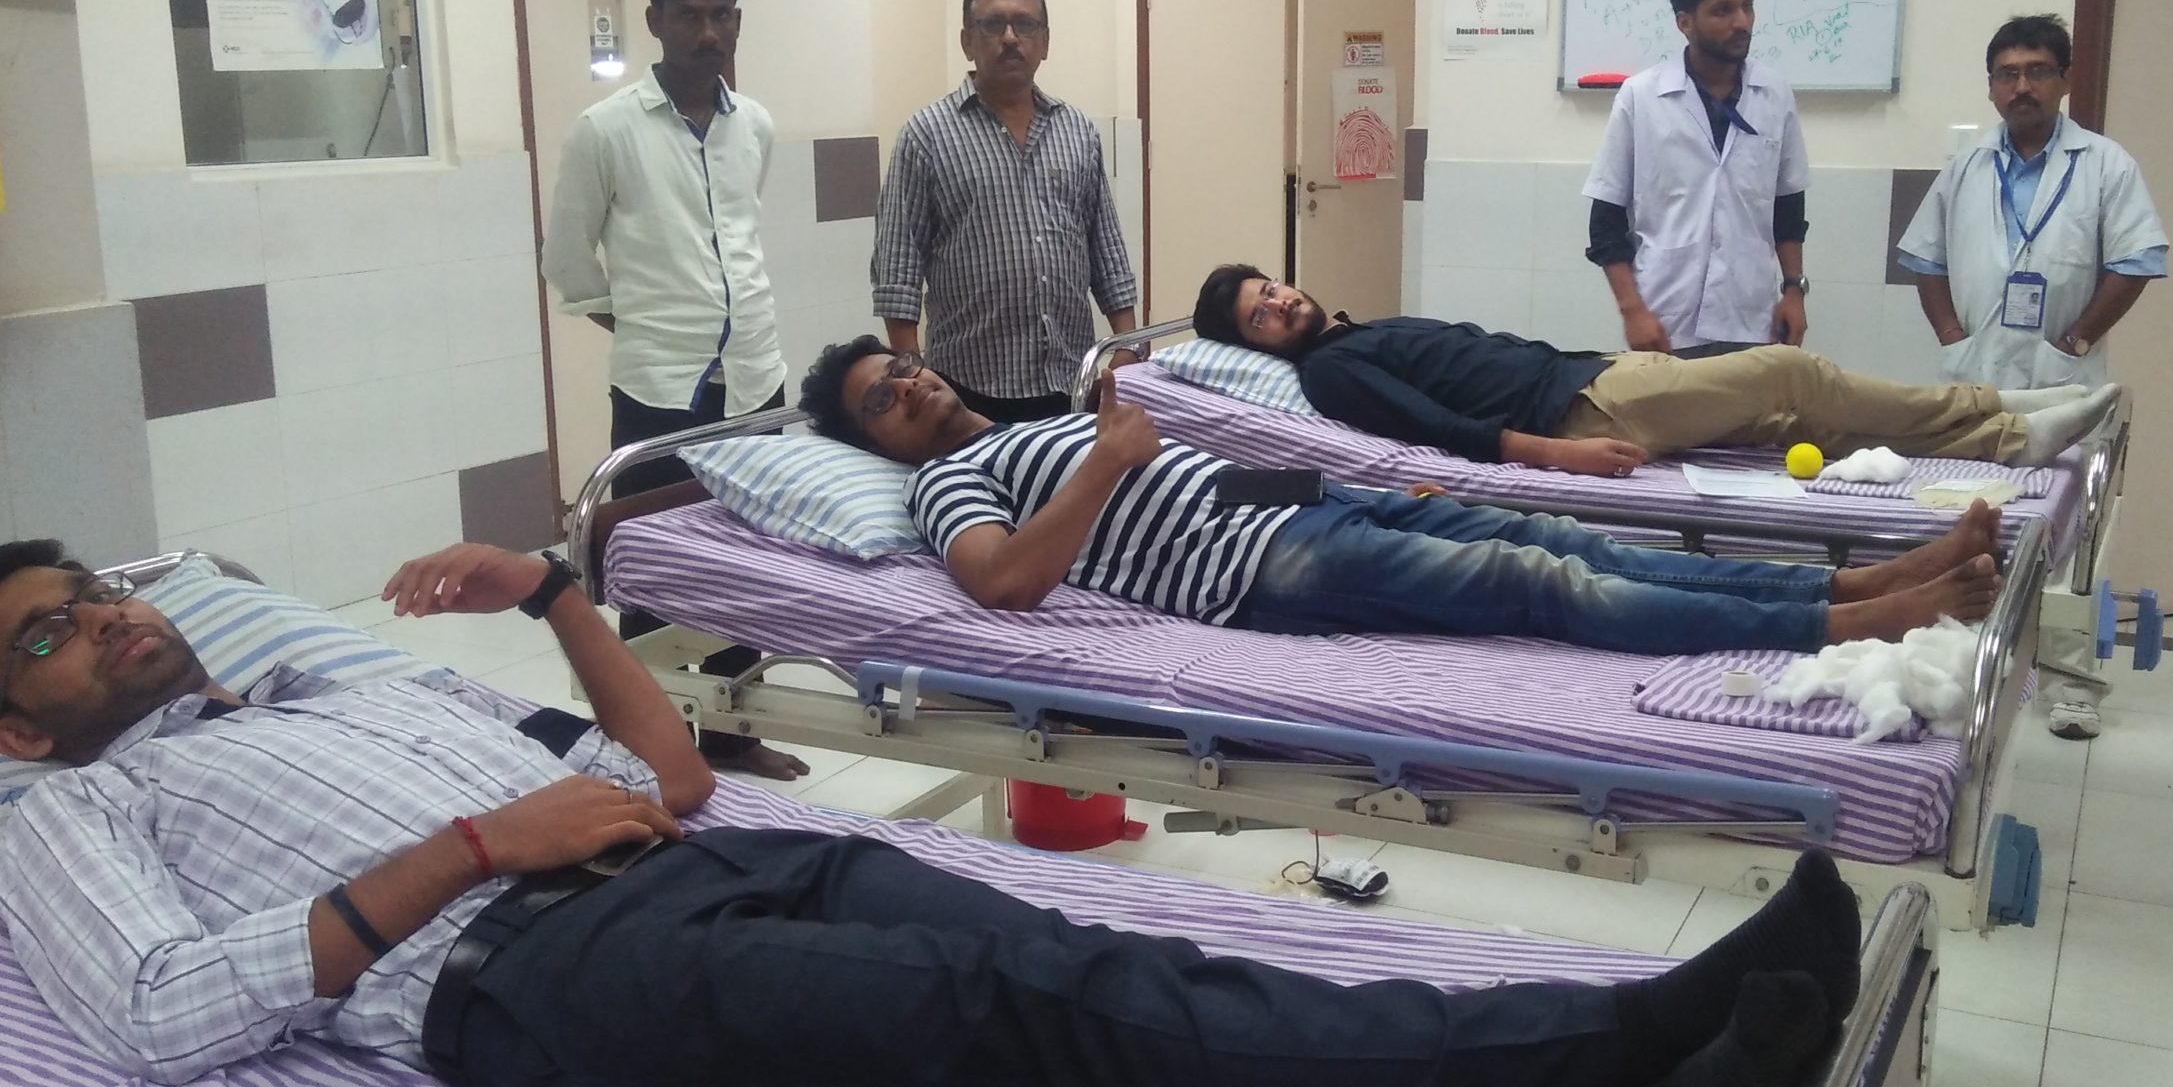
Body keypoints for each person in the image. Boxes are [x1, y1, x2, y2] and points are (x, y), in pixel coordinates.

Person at [0, 538, 1875, 1087]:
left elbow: (663, 771)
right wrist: (476, 847)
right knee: (1022, 999)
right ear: (14, 729)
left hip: (682, 872)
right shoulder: (76, 819)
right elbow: (159, 1013)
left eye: (94, 589)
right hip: (535, 984)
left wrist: (555, 591)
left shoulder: (343, 687)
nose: (101, 618)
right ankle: (1606, 1042)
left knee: (1079, 960)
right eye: (48, 635)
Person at [806, 336, 2009, 659]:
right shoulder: (949, 480)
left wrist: (1367, 483)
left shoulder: (1039, 421)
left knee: (1555, 531)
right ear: (875, 441)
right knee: (1539, 579)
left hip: (1303, 509)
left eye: (899, 366)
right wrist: (1108, 462)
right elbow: (1002, 583)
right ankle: (1840, 623)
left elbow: (1216, 473)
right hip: (1258, 572)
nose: (906, 385)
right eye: (879, 399)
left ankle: (1855, 575)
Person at [537, 0, 801, 780]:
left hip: (755, 375)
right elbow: (568, 259)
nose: (708, 31)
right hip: (658, 386)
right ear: (653, 20)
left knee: (748, 557)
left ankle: (731, 732)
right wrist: (644, 323)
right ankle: (650, 746)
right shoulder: (605, 130)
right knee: (652, 566)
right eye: (689, 15)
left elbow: (739, 232)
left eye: (722, 15)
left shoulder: (754, 125)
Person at [1193, 267, 2123, 476]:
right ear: (1255, 345)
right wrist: (1557, 455)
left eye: (1270, 288)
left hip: (1591, 372)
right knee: (1791, 372)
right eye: (1258, 317)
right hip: (1581, 408)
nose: (1278, 303)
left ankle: (2006, 444)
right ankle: (1997, 405)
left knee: (1798, 427)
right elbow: (1433, 429)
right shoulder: (1330, 375)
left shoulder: (1350, 330)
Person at [871, 0, 1140, 424]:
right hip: (968, 386)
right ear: (967, 41)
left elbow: (1105, 246)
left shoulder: (1078, 131)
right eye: (993, 25)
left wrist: (1127, 345)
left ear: (1045, 42)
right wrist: (911, 369)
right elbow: (898, 261)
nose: (1011, 38)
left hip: (1069, 381)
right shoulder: (926, 134)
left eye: (1026, 25)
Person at [1895, 15, 2170, 389]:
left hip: (2062, 375)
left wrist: (2075, 342)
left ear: (2066, 80)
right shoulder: (1965, 166)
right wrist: (1952, 339)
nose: (2022, 86)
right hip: (1973, 373)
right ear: (1991, 88)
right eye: (2007, 75)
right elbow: (1926, 259)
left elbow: (2137, 262)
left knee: (2061, 431)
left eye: (2037, 71)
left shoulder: (2107, 164)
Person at [1583, 0, 1811, 359]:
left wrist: (1794, 290)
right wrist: (1632, 310)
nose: (1742, 22)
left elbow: (1788, 207)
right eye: (1723, 11)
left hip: (1753, 319)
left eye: (1747, 6)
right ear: (1685, 22)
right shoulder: (1641, 97)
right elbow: (1606, 221)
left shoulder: (1774, 93)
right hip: (1664, 319)